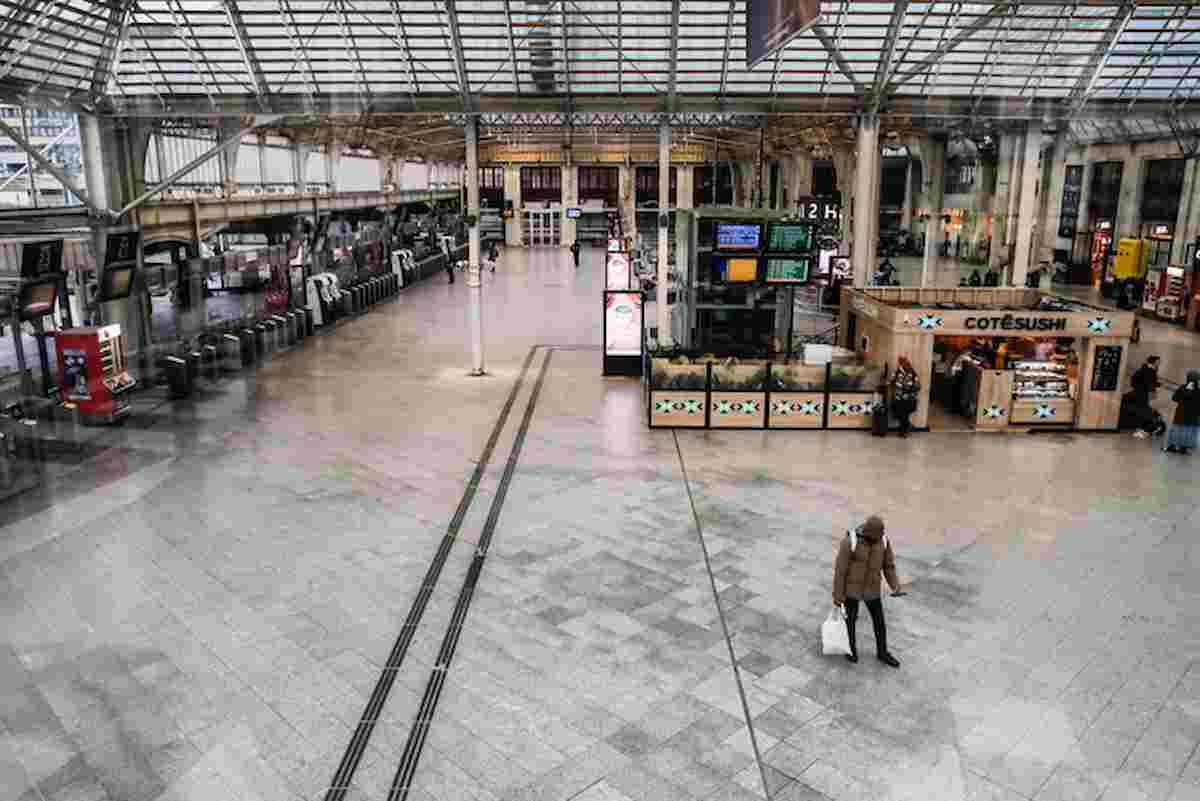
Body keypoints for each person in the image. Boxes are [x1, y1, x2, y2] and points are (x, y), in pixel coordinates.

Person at [833, 516, 902, 668]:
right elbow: (840, 571)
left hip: (872, 589)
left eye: (880, 536)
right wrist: (838, 595)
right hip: (852, 590)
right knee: (850, 620)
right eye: (875, 537)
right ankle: (850, 650)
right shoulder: (850, 542)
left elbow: (888, 566)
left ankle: (882, 652)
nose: (878, 539)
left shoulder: (883, 542)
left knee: (879, 622)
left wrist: (894, 585)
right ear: (867, 533)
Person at [1164, 370, 1200, 454]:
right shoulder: (1186, 388)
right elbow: (1175, 398)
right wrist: (1187, 391)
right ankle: (1178, 447)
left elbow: (1175, 398)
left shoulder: (1186, 388)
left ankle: (1179, 447)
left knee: (1182, 429)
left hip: (1186, 414)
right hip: (1185, 414)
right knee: (1184, 430)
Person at [890, 356, 921, 437]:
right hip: (898, 397)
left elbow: (918, 386)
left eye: (904, 362)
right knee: (900, 414)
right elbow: (891, 381)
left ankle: (903, 431)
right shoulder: (897, 371)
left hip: (908, 398)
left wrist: (910, 391)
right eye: (901, 362)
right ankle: (907, 427)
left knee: (904, 414)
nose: (903, 364)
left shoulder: (912, 373)